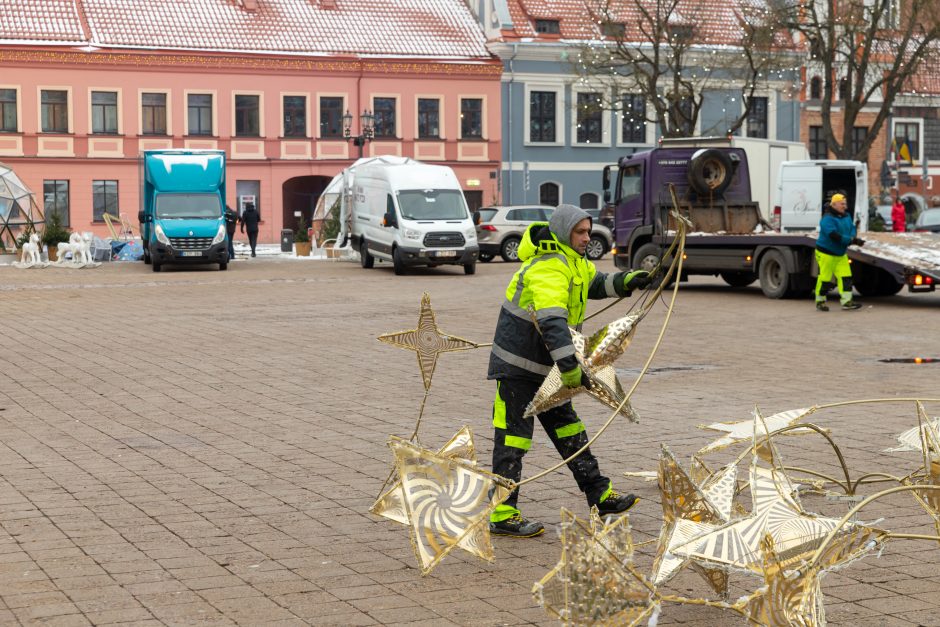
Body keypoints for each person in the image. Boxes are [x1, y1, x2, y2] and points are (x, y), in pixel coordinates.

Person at [487, 203, 653, 537]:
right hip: (520, 367)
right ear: (564, 232)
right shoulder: (548, 267)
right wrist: (569, 367)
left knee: (569, 431)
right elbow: (551, 322)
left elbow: (595, 283)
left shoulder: (575, 262)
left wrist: (626, 281)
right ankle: (502, 513)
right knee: (514, 438)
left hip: (547, 365)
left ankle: (599, 495)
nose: (586, 238)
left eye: (589, 231)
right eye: (580, 232)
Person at [815, 193, 864, 312]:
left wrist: (853, 237)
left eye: (845, 204)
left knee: (846, 277)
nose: (845, 206)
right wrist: (851, 240)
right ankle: (820, 301)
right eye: (842, 204)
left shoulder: (846, 216)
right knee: (825, 278)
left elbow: (851, 229)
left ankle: (847, 302)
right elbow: (833, 235)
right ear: (834, 204)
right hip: (826, 253)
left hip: (840, 254)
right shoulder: (827, 219)